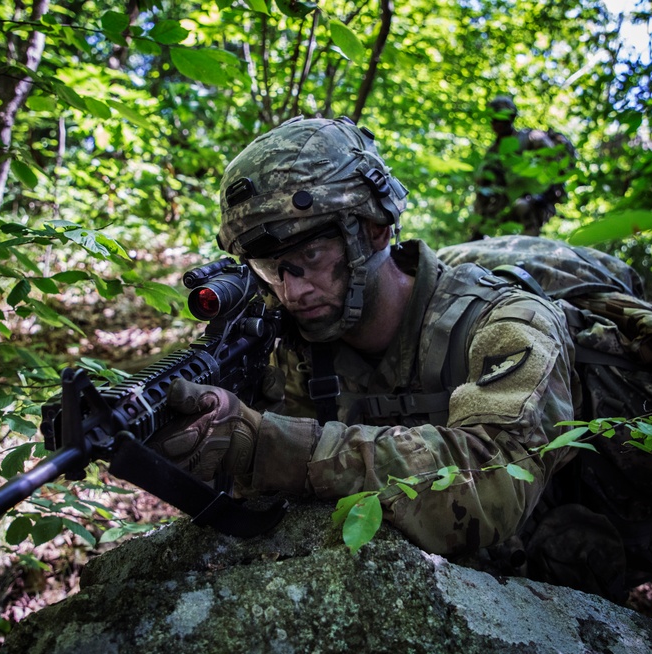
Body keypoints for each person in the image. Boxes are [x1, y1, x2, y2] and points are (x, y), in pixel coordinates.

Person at [150, 116, 623, 598]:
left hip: (549, 559)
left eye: (310, 256)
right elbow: (268, 500)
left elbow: (494, 483)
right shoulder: (291, 339)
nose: (291, 290)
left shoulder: (506, 322)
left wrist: (271, 445)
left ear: (375, 229)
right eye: (271, 269)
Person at [472, 96, 573, 239]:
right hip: (502, 205)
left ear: (511, 118)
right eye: (494, 119)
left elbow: (554, 162)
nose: (497, 123)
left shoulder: (531, 137)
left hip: (536, 199)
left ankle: (528, 247)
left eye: (502, 118)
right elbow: (483, 188)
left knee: (522, 206)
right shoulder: (493, 154)